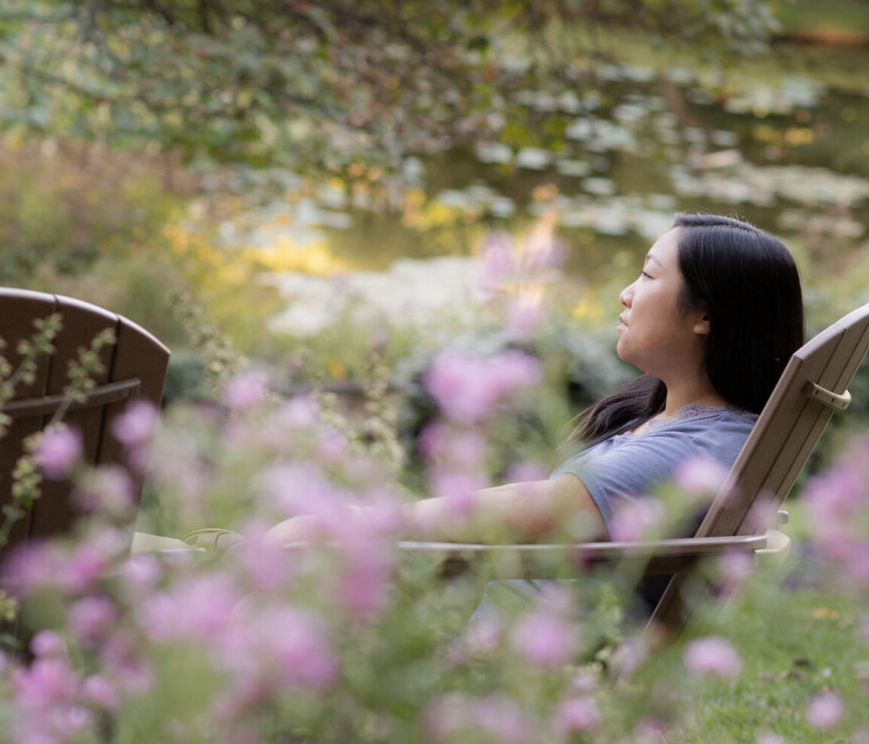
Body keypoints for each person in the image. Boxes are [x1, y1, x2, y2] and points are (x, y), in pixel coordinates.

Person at [267, 214, 806, 600]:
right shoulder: (694, 429)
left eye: (646, 275)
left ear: (704, 317)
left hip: (511, 679)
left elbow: (498, 519)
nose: (624, 293)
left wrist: (339, 525)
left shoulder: (685, 456)